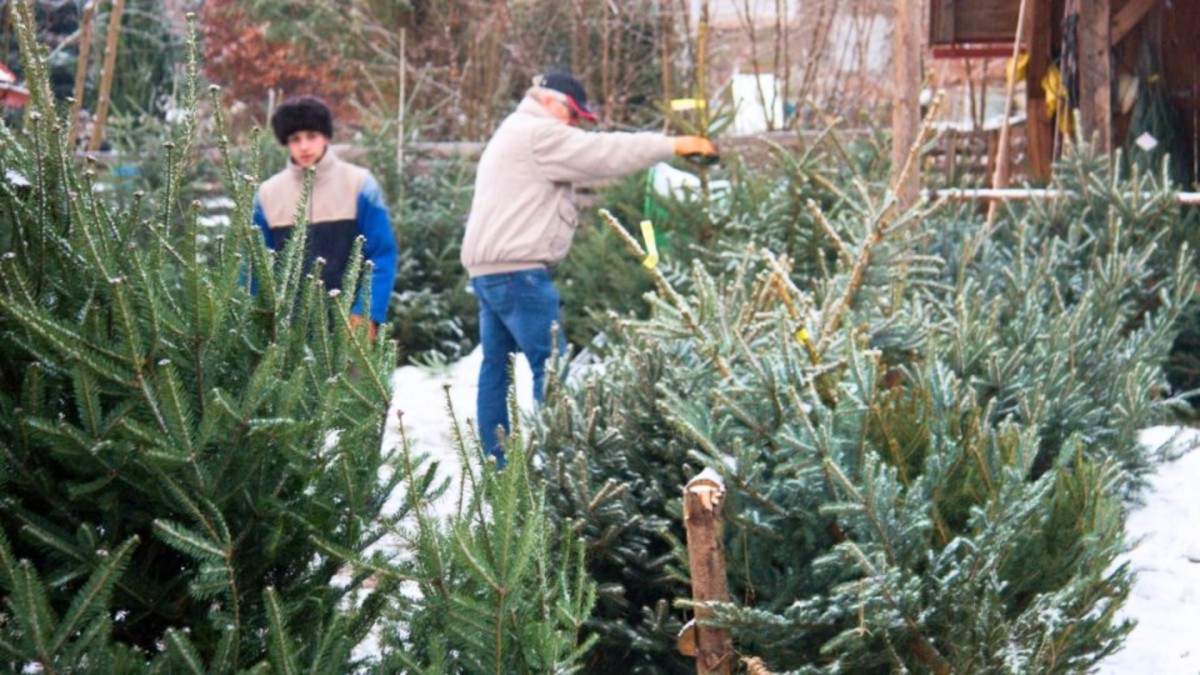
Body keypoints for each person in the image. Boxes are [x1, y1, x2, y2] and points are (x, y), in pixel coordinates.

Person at [461, 71, 717, 467]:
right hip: (519, 272)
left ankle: (498, 468)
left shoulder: (513, 130)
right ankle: (562, 470)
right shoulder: (539, 133)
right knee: (553, 367)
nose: (574, 126)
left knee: (496, 368)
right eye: (573, 115)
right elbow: (604, 152)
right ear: (551, 101)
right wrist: (673, 145)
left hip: (488, 271)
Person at [253, 96, 397, 341]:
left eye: (311, 136)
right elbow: (255, 265)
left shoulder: (359, 184)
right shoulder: (268, 194)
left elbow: (381, 254)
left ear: (326, 137)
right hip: (288, 335)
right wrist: (258, 321)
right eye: (295, 139)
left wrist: (366, 312)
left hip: (350, 328)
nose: (304, 146)